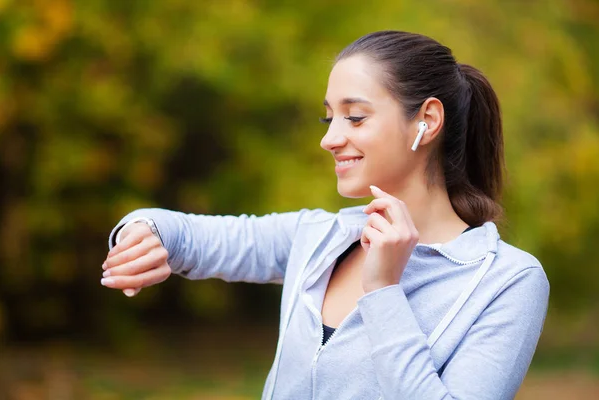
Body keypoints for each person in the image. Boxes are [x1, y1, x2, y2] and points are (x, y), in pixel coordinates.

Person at [101, 31, 549, 399]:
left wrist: (383, 291)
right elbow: (192, 237)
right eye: (328, 119)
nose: (330, 139)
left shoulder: (506, 281)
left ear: (427, 121)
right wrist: (147, 229)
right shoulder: (319, 236)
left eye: (355, 117)